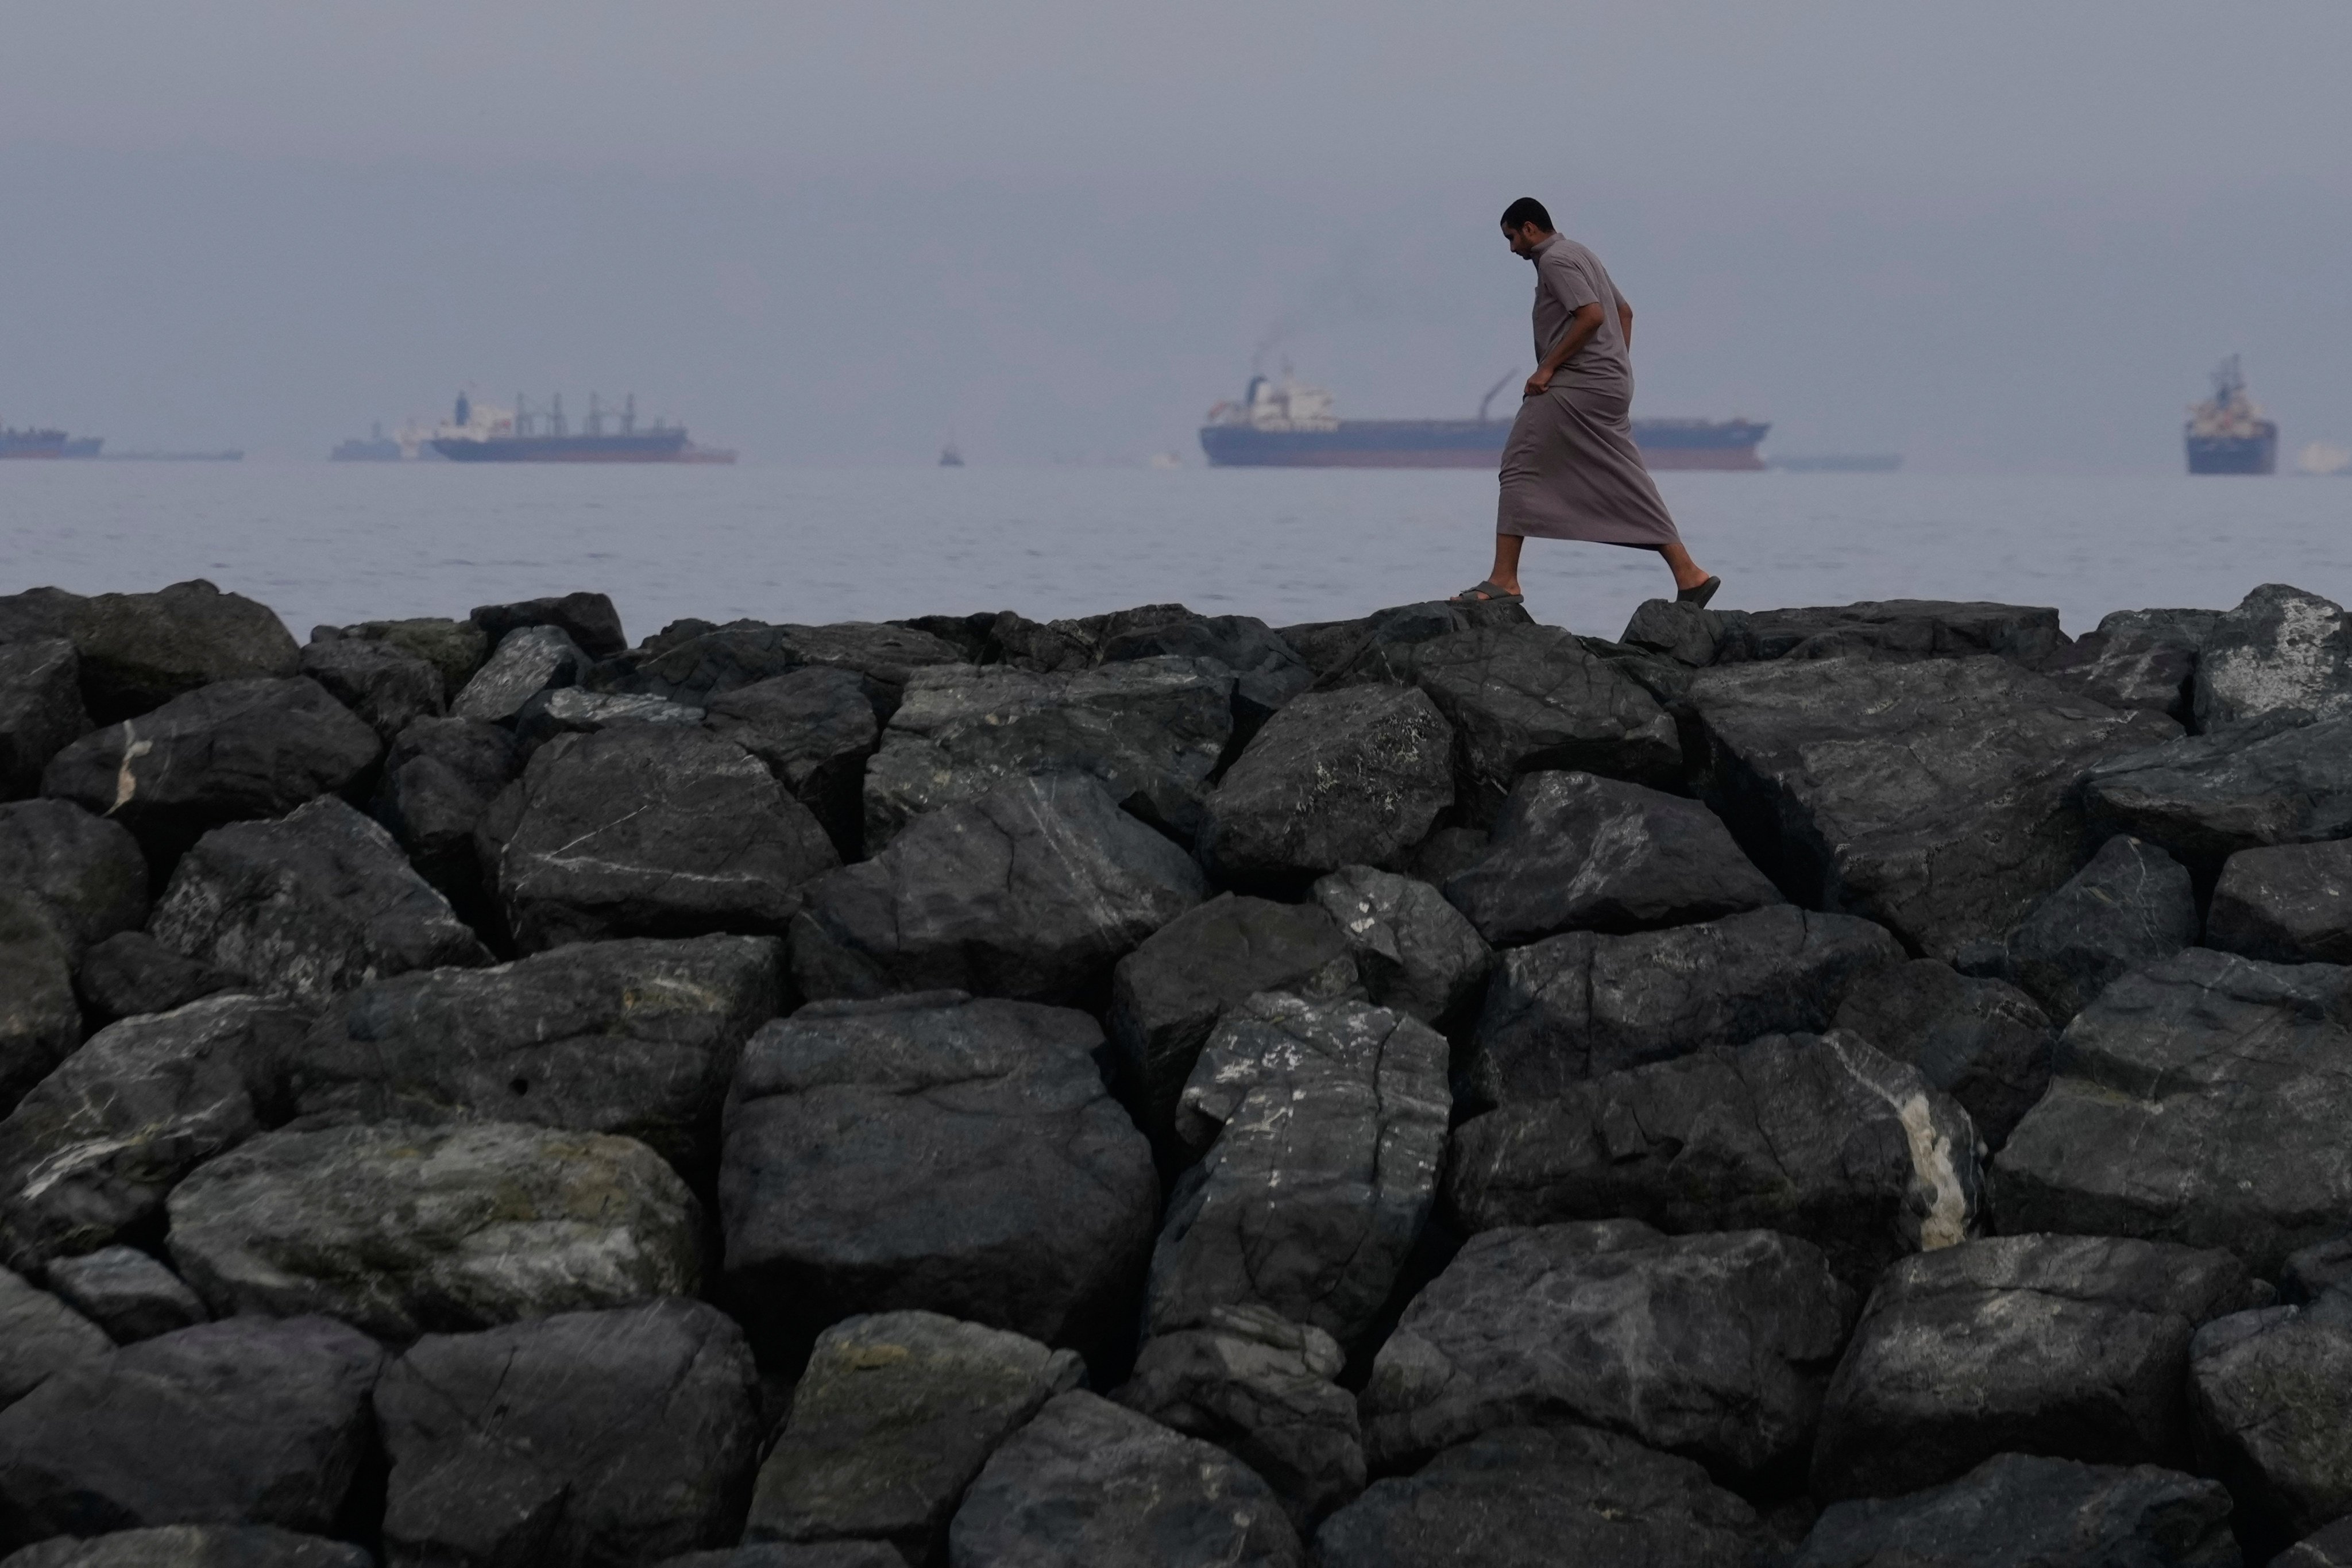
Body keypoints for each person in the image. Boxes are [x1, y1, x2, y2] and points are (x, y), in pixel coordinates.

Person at [1453, 197, 1718, 609]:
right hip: (1608, 385)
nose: (1511, 250)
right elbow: (1624, 313)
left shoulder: (1555, 260)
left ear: (1529, 228)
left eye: (1511, 238)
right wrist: (1615, 368)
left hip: (1575, 385)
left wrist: (1546, 369)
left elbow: (1592, 315)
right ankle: (1689, 574)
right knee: (1626, 477)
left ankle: (1504, 579)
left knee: (1519, 463)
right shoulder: (1580, 252)